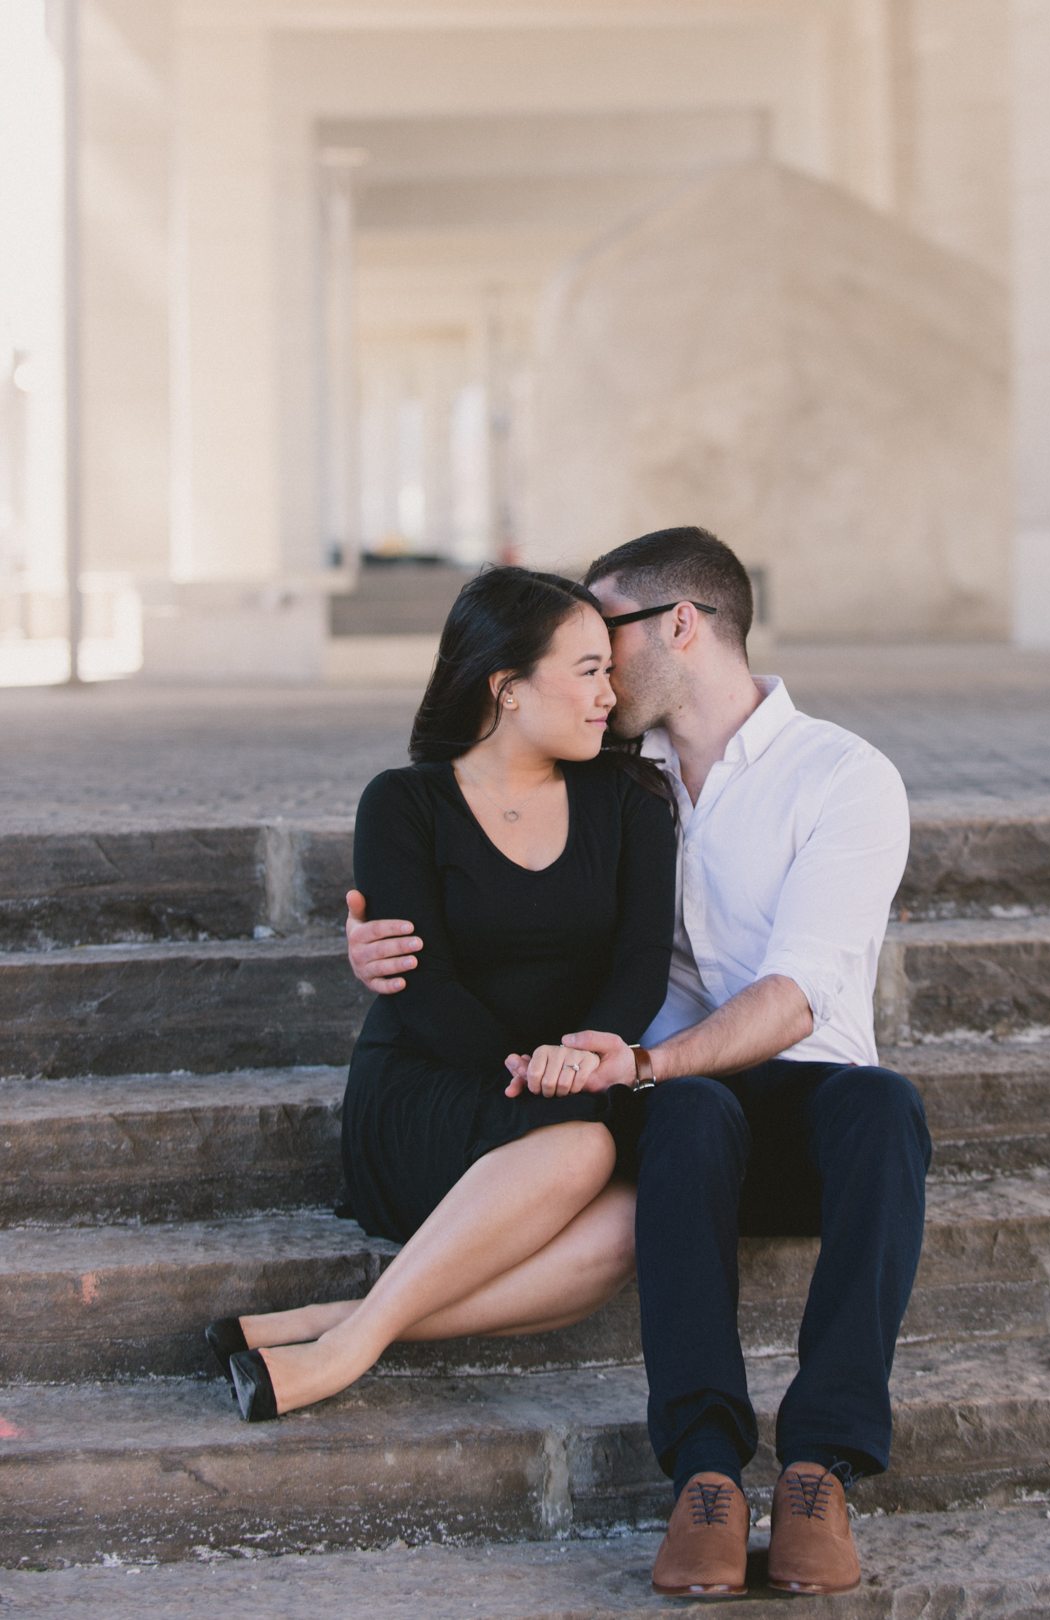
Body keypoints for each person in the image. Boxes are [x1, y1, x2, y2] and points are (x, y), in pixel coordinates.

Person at [349, 527, 932, 1598]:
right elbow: (490, 861)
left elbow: (796, 994)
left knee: (883, 1109)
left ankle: (818, 1469)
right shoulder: (611, 772)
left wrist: (652, 1063)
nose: (591, 659)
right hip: (667, 1124)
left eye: (603, 630)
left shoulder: (842, 776)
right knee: (695, 1113)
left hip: (778, 1098)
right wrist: (382, 939)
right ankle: (705, 1475)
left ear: (679, 625)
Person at [205, 567, 676, 1433]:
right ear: (508, 687)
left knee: (628, 1223)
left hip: (571, 1086)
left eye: (610, 670)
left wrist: (580, 1054)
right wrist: (530, 1071)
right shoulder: (404, 801)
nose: (613, 695)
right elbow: (422, 984)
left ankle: (338, 1327)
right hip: (428, 1088)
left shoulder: (635, 800)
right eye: (588, 672)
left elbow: (642, 965)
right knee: (581, 1155)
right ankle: (343, 1354)